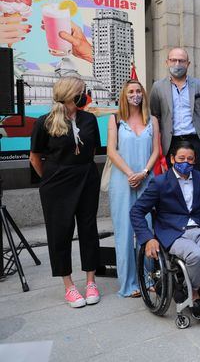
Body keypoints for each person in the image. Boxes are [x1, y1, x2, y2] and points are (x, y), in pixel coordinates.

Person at [130, 141, 200, 319]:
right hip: (173, 232)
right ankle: (190, 294)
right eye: (181, 158)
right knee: (197, 255)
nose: (185, 162)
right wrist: (147, 238)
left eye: (190, 159)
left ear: (194, 161)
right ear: (172, 159)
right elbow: (137, 211)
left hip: (199, 228)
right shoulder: (160, 183)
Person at [29, 76, 102, 308]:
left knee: (89, 229)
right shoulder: (44, 122)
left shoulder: (89, 119)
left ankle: (91, 281)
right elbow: (35, 157)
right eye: (82, 91)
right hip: (57, 184)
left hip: (86, 178)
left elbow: (91, 152)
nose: (85, 94)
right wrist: (50, 179)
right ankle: (69, 285)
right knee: (59, 233)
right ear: (71, 94)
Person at [107, 79, 160, 297]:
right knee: (125, 232)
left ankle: (148, 279)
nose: (135, 94)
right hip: (123, 181)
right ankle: (129, 284)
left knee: (147, 229)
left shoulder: (153, 120)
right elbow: (111, 150)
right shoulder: (116, 119)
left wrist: (144, 172)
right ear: (124, 94)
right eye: (131, 91)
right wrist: (130, 173)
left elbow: (157, 150)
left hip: (146, 179)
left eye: (138, 91)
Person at [150, 47, 200, 170]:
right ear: (167, 62)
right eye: (173, 60)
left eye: (181, 61)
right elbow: (155, 114)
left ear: (188, 64)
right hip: (171, 141)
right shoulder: (158, 87)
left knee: (196, 179)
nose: (177, 64)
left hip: (195, 140)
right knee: (174, 182)